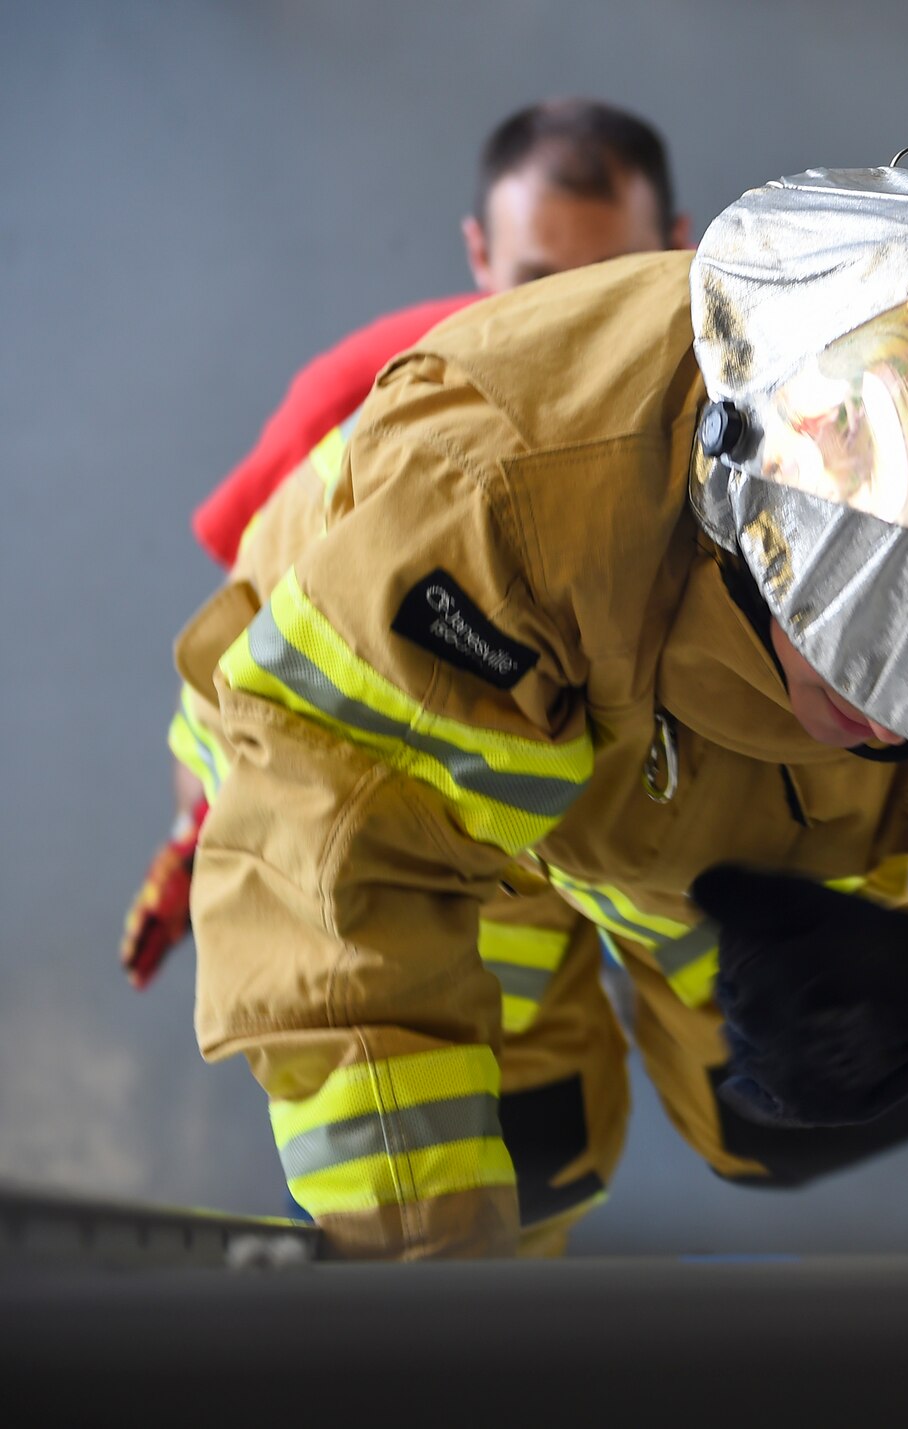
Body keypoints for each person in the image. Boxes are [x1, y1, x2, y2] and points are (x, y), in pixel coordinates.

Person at [177, 155, 908, 1259]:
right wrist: (426, 1307)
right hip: (423, 783)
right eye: (863, 674)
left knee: (775, 1121)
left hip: (709, 843)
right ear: (740, 524)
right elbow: (337, 901)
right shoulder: (499, 492)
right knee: (518, 1150)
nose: (901, 733)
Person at [124, 98, 682, 991]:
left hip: (668, 866)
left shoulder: (749, 412)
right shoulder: (362, 395)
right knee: (535, 1120)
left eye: (615, 277)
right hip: (474, 890)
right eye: (539, 281)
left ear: (680, 250)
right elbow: (247, 625)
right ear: (478, 255)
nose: (577, 319)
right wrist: (216, 821)